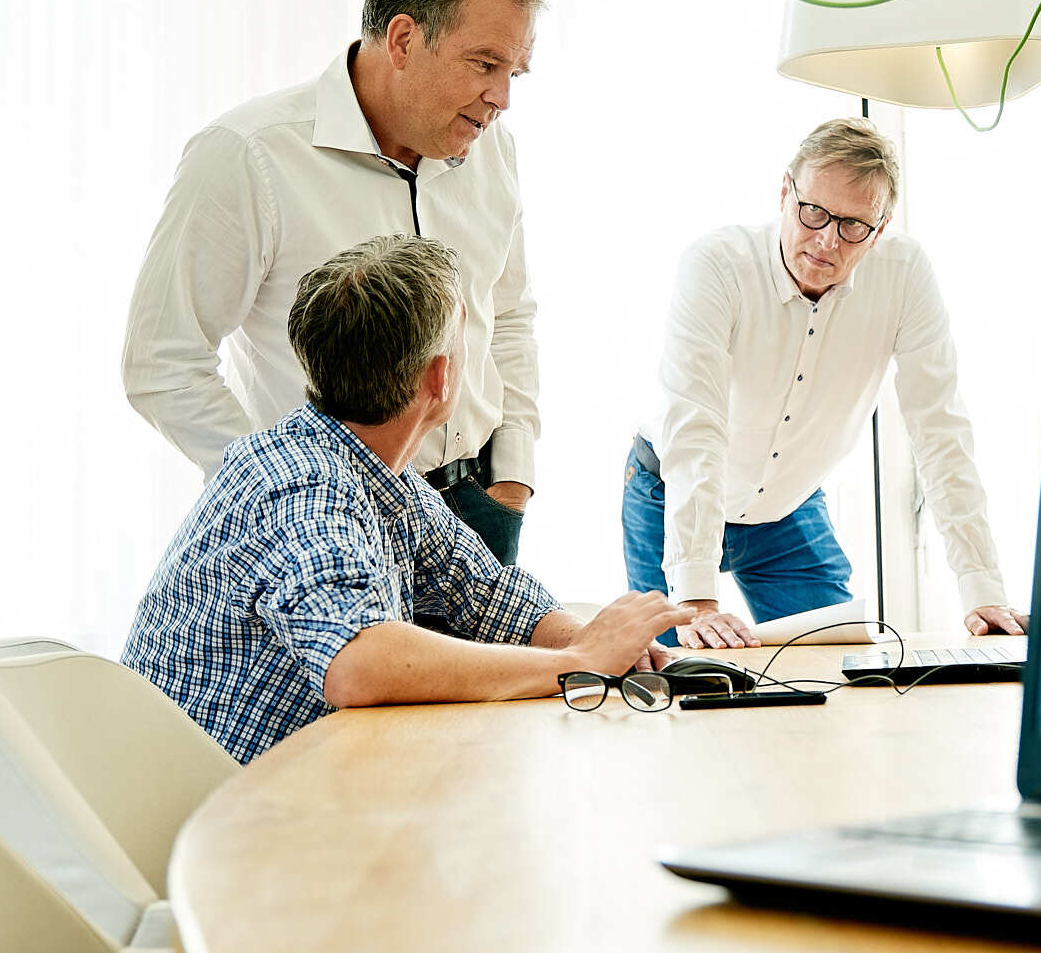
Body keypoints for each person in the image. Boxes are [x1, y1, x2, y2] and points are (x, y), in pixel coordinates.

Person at [123, 236, 690, 764]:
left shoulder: (376, 470)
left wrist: (597, 644)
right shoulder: (300, 485)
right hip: (220, 808)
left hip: (299, 780)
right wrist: (575, 664)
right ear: (440, 377)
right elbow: (358, 663)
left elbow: (489, 596)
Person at [123, 0, 544, 565]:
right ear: (403, 40)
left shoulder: (492, 147)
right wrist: (281, 492)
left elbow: (506, 316)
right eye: (485, 65)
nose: (502, 98)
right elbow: (160, 360)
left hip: (479, 507)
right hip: (324, 521)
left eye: (514, 73)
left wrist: (511, 479)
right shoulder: (248, 154)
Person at [624, 116, 1026, 649]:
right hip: (669, 491)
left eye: (853, 225)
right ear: (785, 191)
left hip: (787, 506)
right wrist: (696, 597)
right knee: (680, 675)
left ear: (880, 228)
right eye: (813, 211)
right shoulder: (717, 265)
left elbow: (939, 431)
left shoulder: (904, 274)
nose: (826, 241)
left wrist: (982, 588)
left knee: (836, 663)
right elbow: (695, 426)